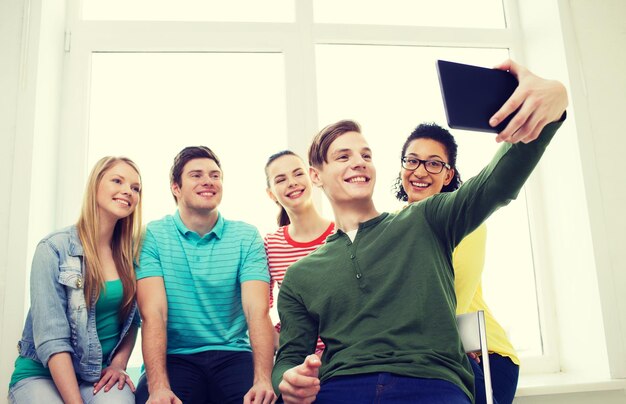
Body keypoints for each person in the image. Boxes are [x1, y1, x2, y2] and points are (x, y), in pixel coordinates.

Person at [271, 60, 568, 403]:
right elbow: (290, 357)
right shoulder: (300, 276)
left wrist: (553, 103)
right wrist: (287, 378)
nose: (359, 161)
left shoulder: (425, 219)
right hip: (342, 388)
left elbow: (495, 185)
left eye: (366, 154)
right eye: (343, 156)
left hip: (432, 384)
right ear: (317, 176)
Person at [135, 146, 276, 404]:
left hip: (233, 353)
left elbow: (257, 311)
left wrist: (263, 380)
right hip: (176, 356)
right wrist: (158, 387)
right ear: (175, 187)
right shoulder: (152, 236)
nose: (208, 181)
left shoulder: (246, 236)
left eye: (215, 175)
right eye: (196, 175)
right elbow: (153, 314)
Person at [393, 122, 520, 404]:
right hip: (433, 349)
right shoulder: (391, 224)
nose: (420, 171)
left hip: (484, 353)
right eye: (412, 160)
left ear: (448, 174)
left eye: (434, 164)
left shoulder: (467, 221)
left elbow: (454, 297)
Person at [8, 156, 143, 404]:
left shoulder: (132, 256)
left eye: (136, 188)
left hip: (99, 376)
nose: (128, 191)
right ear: (96, 185)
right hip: (42, 375)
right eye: (117, 181)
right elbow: (52, 338)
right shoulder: (53, 249)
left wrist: (118, 364)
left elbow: (133, 321)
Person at [263, 150, 335, 355]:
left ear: (312, 176)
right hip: (296, 357)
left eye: (297, 173)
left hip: (341, 355)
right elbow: (261, 309)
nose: (292, 182)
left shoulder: (341, 232)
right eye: (281, 179)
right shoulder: (270, 243)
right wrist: (281, 344)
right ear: (271, 194)